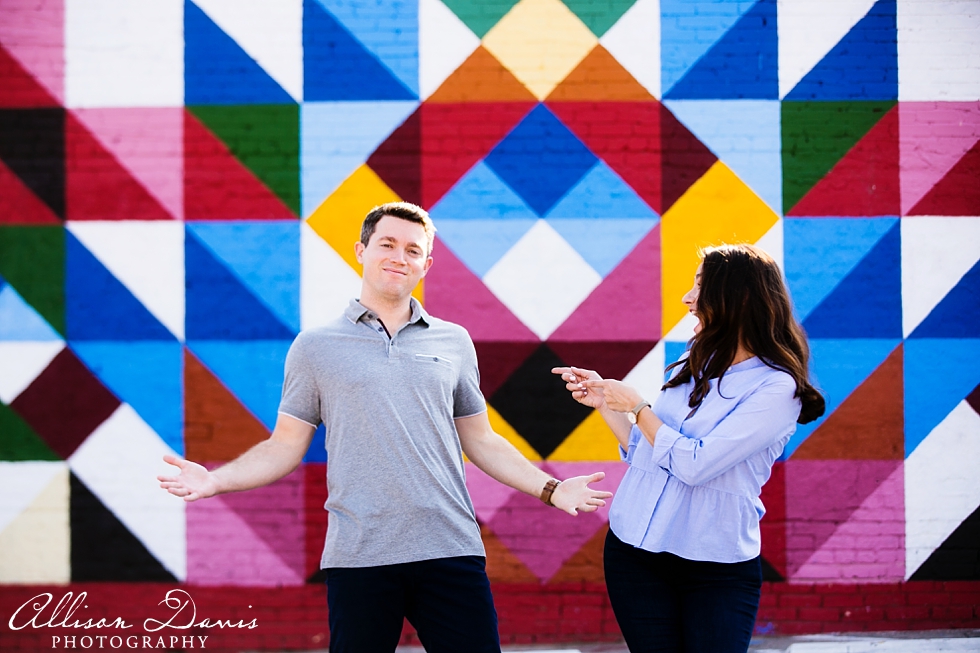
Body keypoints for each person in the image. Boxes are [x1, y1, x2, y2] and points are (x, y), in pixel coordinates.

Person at [159, 202, 613, 653]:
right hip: (360, 554)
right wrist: (215, 480)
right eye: (387, 244)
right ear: (361, 250)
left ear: (426, 265)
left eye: (413, 250)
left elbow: (481, 440)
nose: (399, 257)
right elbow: (284, 446)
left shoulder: (453, 341)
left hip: (450, 548)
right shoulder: (315, 347)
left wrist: (552, 490)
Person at [553, 244, 825, 653]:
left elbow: (695, 465)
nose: (687, 297)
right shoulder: (692, 361)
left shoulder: (776, 387)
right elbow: (647, 454)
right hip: (634, 555)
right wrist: (606, 404)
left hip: (715, 568)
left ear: (737, 297)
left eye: (700, 285)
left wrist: (639, 407)